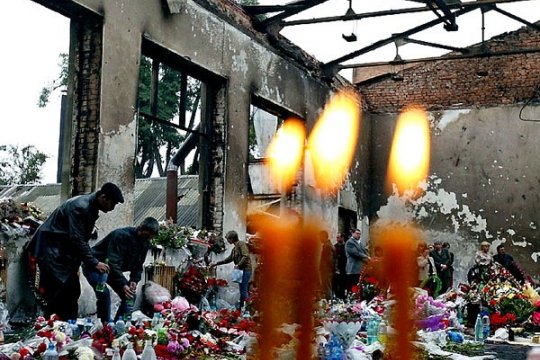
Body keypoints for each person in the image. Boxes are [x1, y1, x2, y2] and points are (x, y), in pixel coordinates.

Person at [26, 182, 124, 320]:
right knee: (57, 296)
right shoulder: (81, 207)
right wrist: (94, 262)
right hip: (50, 252)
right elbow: (77, 238)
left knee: (72, 293)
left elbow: (79, 239)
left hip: (63, 255)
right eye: (113, 203)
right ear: (103, 197)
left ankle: (67, 331)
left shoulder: (90, 207)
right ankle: (51, 332)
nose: (113, 208)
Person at [83, 217, 159, 323]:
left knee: (130, 296)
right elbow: (112, 262)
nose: (147, 239)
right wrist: (123, 284)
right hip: (95, 266)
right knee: (104, 293)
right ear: (140, 229)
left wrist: (133, 280)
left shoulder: (145, 243)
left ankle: (118, 326)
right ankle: (104, 326)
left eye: (150, 238)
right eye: (146, 235)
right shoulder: (121, 236)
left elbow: (138, 265)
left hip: (111, 271)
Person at [210, 230, 252, 309]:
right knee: (241, 290)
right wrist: (216, 263)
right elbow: (228, 259)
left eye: (228, 239)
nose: (227, 241)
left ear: (232, 239)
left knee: (244, 290)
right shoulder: (235, 248)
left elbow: (245, 255)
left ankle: (247, 309)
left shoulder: (241, 244)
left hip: (245, 270)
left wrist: (238, 264)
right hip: (240, 270)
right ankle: (242, 307)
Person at [345, 228, 370, 293]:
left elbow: (364, 251)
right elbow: (355, 253)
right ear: (352, 233)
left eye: (359, 234)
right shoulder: (349, 242)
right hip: (353, 269)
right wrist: (366, 257)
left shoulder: (360, 243)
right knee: (352, 287)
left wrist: (368, 257)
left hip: (360, 269)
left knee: (358, 287)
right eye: (357, 233)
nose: (359, 235)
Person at [318, 230, 334, 300]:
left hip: (326, 270)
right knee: (327, 287)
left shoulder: (327, 246)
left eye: (320, 237)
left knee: (327, 287)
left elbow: (329, 260)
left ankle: (329, 303)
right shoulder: (329, 245)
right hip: (327, 270)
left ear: (324, 237)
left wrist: (325, 269)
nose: (319, 239)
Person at [333, 232, 347, 299]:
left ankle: (343, 297)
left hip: (345, 268)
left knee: (343, 285)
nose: (337, 239)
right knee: (336, 285)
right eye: (337, 237)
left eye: (338, 237)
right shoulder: (335, 247)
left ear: (342, 238)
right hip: (337, 269)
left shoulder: (346, 247)